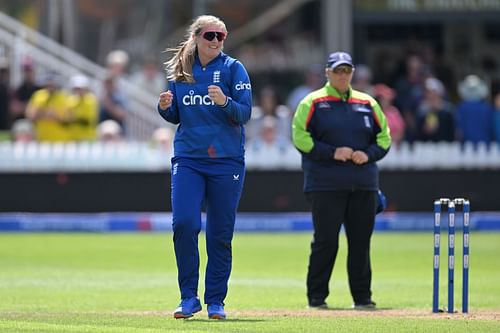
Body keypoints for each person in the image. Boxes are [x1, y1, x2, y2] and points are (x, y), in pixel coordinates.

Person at [157, 15, 252, 320]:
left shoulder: (233, 68)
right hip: (189, 158)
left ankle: (215, 301)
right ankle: (188, 297)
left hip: (226, 160)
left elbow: (244, 113)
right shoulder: (181, 70)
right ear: (197, 37)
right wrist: (165, 108)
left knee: (219, 234)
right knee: (184, 224)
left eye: (221, 36)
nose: (215, 41)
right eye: (210, 35)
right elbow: (176, 116)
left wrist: (225, 101)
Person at [292, 51, 391, 310]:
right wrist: (331, 153)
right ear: (328, 73)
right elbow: (299, 137)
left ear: (353, 73)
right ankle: (316, 298)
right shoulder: (312, 102)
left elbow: (385, 138)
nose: (342, 75)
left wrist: (367, 154)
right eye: (338, 70)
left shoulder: (367, 102)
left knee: (360, 242)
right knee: (326, 241)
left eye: (347, 71)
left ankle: (362, 298)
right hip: (325, 183)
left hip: (363, 183)